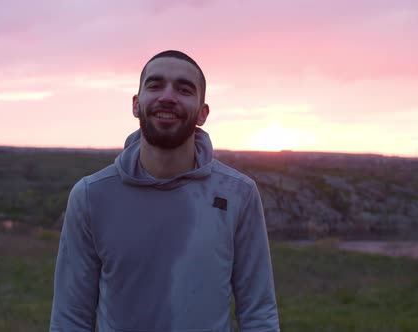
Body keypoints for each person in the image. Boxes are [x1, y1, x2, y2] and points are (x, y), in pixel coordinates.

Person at [50, 50, 280, 332]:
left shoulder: (238, 194)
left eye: (184, 89)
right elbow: (70, 318)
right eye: (155, 85)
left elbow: (258, 312)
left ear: (203, 113)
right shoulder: (90, 196)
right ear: (136, 104)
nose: (168, 97)